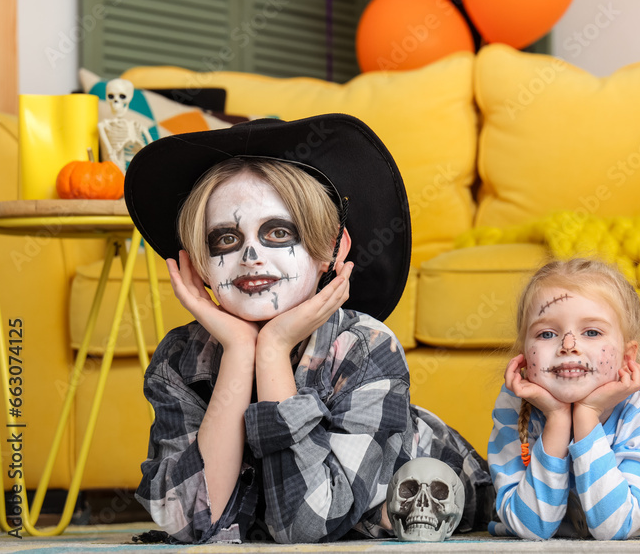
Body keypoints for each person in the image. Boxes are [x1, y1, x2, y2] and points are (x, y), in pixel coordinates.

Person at [124, 115, 490, 543]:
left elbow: (304, 528)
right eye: (224, 239)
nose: (250, 256)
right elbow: (190, 523)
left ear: (332, 250)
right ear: (197, 263)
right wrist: (242, 351)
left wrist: (274, 347)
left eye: (278, 231)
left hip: (445, 478)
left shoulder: (366, 347)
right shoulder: (180, 358)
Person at [487, 258, 640, 540]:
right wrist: (556, 418)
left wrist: (587, 413)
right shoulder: (514, 404)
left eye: (591, 332)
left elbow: (613, 527)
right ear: (523, 355)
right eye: (546, 333)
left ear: (627, 357)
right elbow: (531, 528)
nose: (568, 345)